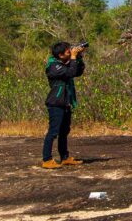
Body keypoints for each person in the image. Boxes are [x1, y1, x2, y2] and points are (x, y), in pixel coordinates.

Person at [41, 41, 86, 169]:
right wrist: (73, 57)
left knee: (64, 131)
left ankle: (65, 157)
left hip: (65, 102)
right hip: (56, 103)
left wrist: (78, 57)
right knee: (53, 132)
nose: (70, 52)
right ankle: (47, 159)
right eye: (68, 51)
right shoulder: (53, 67)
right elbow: (70, 72)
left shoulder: (63, 64)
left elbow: (77, 71)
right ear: (60, 55)